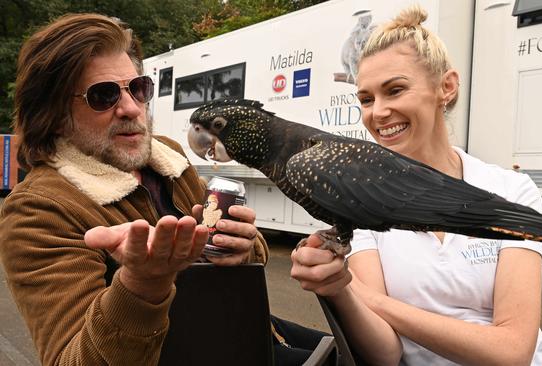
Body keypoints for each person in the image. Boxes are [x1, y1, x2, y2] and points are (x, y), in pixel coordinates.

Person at [0, 13, 326, 366]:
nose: (130, 108)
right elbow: (74, 360)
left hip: (245, 330)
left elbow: (230, 245)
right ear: (53, 114)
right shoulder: (37, 211)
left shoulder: (167, 156)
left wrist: (245, 245)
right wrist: (142, 285)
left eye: (138, 88)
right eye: (103, 95)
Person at [290, 5, 542, 366]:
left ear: (446, 87)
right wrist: (341, 288)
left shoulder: (510, 189)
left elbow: (512, 353)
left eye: (394, 90)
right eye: (366, 99)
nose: (377, 112)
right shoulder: (356, 204)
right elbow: (386, 354)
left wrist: (372, 298)